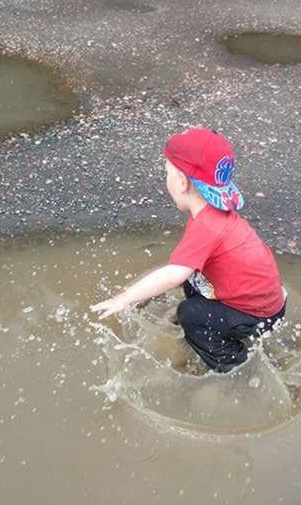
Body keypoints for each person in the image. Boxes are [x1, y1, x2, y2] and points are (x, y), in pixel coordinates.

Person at [91, 127, 286, 372]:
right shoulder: (213, 214)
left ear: (182, 182)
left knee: (190, 313)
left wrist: (125, 298)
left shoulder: (207, 226)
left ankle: (234, 366)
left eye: (167, 173)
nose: (166, 179)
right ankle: (213, 327)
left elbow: (173, 274)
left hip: (257, 316)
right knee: (193, 278)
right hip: (267, 303)